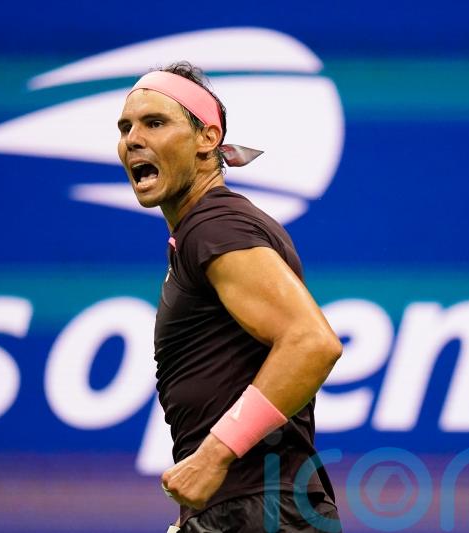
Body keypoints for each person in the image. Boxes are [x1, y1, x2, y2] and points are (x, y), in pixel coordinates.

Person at [116, 61, 344, 532]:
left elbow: (311, 342)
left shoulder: (215, 226)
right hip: (248, 510)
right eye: (125, 127)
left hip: (258, 509)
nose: (133, 139)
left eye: (155, 123)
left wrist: (214, 458)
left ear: (207, 138)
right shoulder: (208, 231)